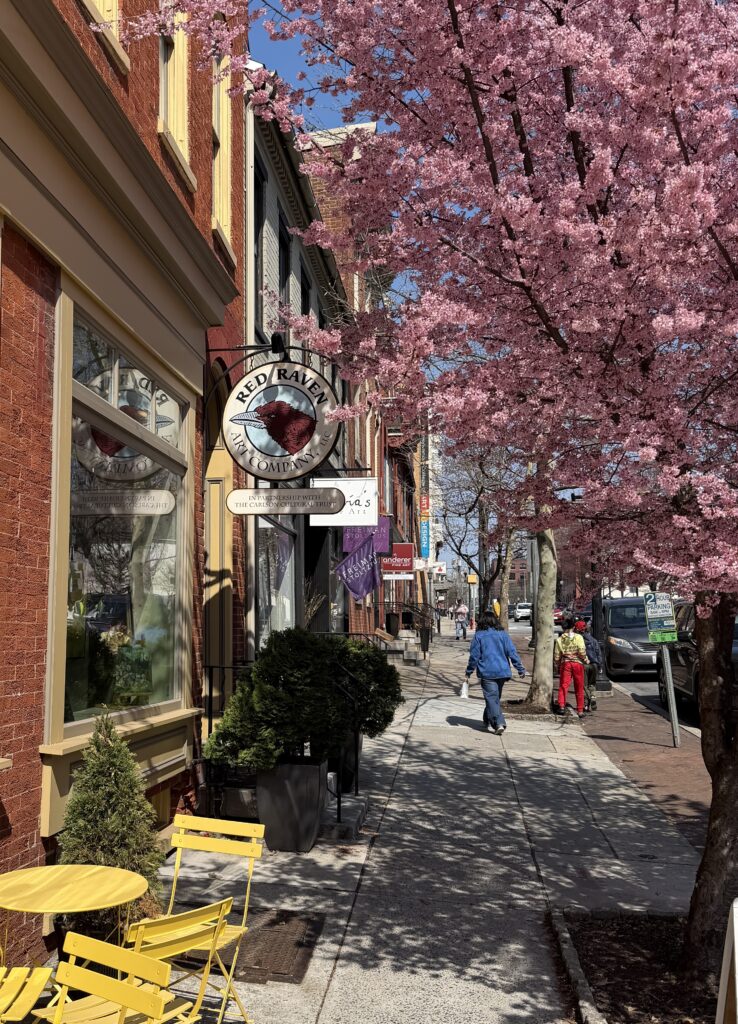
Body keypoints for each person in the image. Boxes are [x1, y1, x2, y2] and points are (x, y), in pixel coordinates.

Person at [465, 610, 526, 735]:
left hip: (487, 672)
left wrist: (469, 671)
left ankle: (499, 723)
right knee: (494, 698)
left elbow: (474, 656)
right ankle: (487, 719)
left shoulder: (479, 636)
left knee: (492, 698)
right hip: (502, 671)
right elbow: (512, 652)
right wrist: (519, 668)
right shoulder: (503, 635)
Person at [554, 617, 589, 718]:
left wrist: (558, 664)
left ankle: (561, 706)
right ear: (573, 627)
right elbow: (582, 651)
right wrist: (585, 659)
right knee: (579, 686)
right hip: (577, 663)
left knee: (563, 685)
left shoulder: (559, 640)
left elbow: (557, 656)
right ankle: (580, 710)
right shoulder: (578, 637)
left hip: (566, 663)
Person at [577, 620, 602, 712]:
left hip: (583, 665)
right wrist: (599, 665)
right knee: (592, 684)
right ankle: (593, 696)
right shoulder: (594, 640)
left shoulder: (578, 640)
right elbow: (598, 653)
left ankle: (586, 703)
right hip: (594, 664)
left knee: (584, 686)